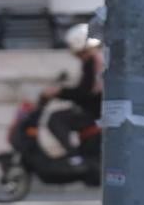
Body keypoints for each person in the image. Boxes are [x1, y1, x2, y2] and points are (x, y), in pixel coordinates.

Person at [43, 23, 103, 164]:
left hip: (94, 113)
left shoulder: (93, 61)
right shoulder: (98, 58)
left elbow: (85, 92)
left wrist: (60, 92)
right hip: (95, 110)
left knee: (55, 119)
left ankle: (74, 156)